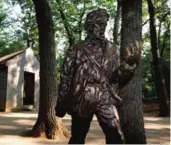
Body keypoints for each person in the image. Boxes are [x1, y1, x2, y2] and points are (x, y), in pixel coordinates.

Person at [55, 8, 141, 144]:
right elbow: (65, 77)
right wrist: (61, 103)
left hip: (104, 97)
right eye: (99, 24)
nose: (103, 28)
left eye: (105, 25)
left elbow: (115, 78)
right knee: (78, 137)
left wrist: (128, 67)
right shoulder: (76, 49)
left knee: (115, 135)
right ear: (90, 25)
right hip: (83, 98)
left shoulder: (113, 50)